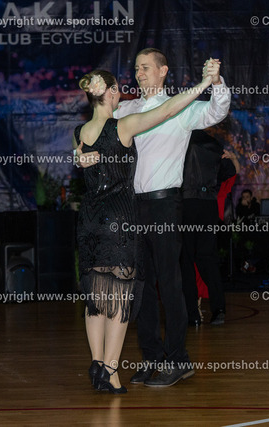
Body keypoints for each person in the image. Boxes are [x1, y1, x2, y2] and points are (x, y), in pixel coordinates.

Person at [74, 65, 214, 394]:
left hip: (90, 220)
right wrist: (204, 84)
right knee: (120, 297)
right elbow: (167, 110)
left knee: (96, 297)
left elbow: (81, 158)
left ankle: (96, 363)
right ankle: (111, 372)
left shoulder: (80, 132)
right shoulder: (123, 126)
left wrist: (77, 158)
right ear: (110, 93)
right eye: (118, 89)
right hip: (119, 219)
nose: (123, 93)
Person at [114, 48, 230, 387]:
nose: (139, 73)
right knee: (142, 286)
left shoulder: (180, 108)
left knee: (170, 282)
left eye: (146, 67)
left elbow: (217, 110)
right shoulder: (127, 109)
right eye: (137, 68)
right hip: (134, 207)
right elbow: (99, 128)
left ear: (163, 71)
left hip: (165, 205)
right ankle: (151, 357)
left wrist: (215, 82)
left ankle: (178, 359)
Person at [181, 130, 239, 327]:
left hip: (187, 203)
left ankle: (192, 314)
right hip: (208, 205)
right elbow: (229, 171)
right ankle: (219, 308)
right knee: (208, 258)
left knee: (186, 260)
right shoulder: (214, 144)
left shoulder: (181, 140)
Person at [235, 189, 260, 272]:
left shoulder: (256, 205)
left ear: (251, 197)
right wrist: (245, 207)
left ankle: (250, 265)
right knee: (243, 247)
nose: (245, 199)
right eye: (244, 197)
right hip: (244, 231)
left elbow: (258, 215)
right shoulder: (239, 207)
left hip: (255, 231)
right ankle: (246, 266)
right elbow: (241, 217)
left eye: (247, 197)